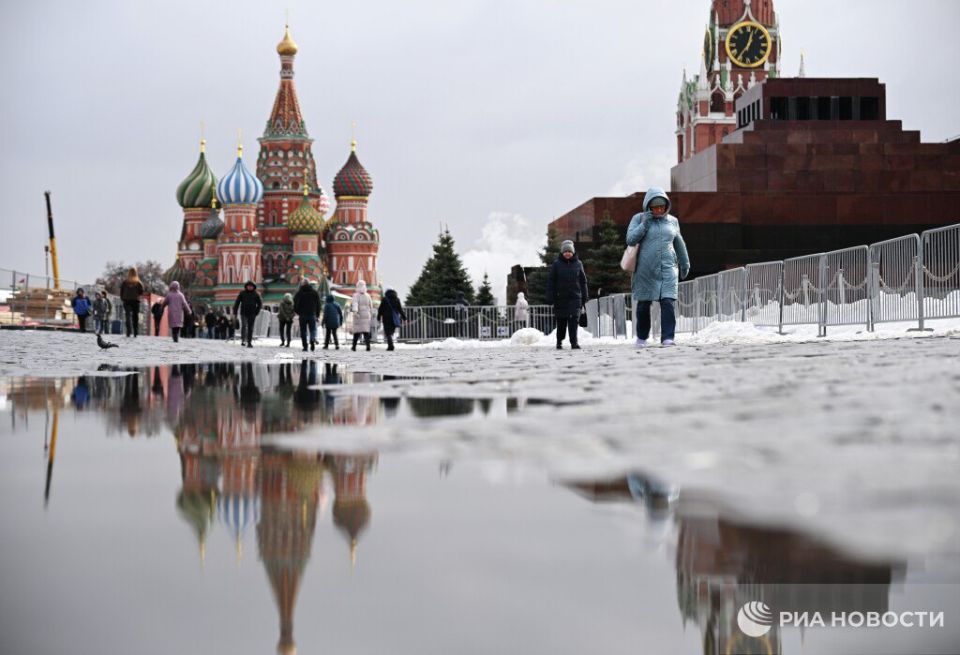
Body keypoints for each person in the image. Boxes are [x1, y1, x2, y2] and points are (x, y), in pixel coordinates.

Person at [626, 187, 690, 348]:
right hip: (644, 270)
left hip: (668, 268)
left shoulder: (673, 221)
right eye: (655, 207)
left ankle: (668, 337)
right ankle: (641, 337)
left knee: (668, 302)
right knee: (643, 305)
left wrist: (685, 262)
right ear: (648, 206)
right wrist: (645, 224)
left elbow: (679, 242)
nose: (659, 210)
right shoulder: (638, 218)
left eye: (662, 206)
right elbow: (630, 240)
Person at [546, 240, 588, 349]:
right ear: (562, 252)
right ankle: (559, 341)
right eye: (565, 251)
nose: (567, 253)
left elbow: (583, 282)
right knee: (561, 322)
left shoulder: (579, 264)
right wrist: (550, 296)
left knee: (574, 321)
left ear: (573, 252)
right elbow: (551, 281)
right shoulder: (556, 264)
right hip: (561, 298)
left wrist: (584, 296)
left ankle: (574, 342)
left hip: (575, 298)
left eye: (569, 251)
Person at [293, 278, 321, 352]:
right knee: (313, 329)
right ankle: (312, 339)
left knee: (303, 331)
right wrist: (317, 314)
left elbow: (295, 304)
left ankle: (305, 346)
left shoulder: (299, 293)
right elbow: (318, 305)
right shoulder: (314, 292)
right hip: (312, 314)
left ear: (302, 284)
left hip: (302, 315)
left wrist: (298, 312)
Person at [233, 281, 263, 348]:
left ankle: (249, 342)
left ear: (253, 287)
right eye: (248, 286)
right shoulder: (242, 293)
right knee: (244, 326)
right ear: (246, 287)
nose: (250, 287)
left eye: (251, 286)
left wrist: (256, 312)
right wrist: (235, 312)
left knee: (250, 328)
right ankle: (243, 340)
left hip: (252, 313)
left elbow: (260, 304)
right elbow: (237, 303)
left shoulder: (256, 294)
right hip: (243, 312)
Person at [119, 267, 145, 337]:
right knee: (135, 316)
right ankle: (135, 332)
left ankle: (128, 330)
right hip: (135, 301)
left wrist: (122, 298)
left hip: (126, 300)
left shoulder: (125, 282)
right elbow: (141, 291)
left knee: (127, 315)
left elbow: (121, 291)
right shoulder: (138, 282)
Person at [350, 280, 373, 351]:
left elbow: (355, 304)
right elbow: (371, 305)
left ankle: (354, 347)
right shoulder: (368, 295)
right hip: (366, 315)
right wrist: (370, 312)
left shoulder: (356, 295)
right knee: (366, 332)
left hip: (359, 315)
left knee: (357, 332)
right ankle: (368, 346)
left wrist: (355, 311)